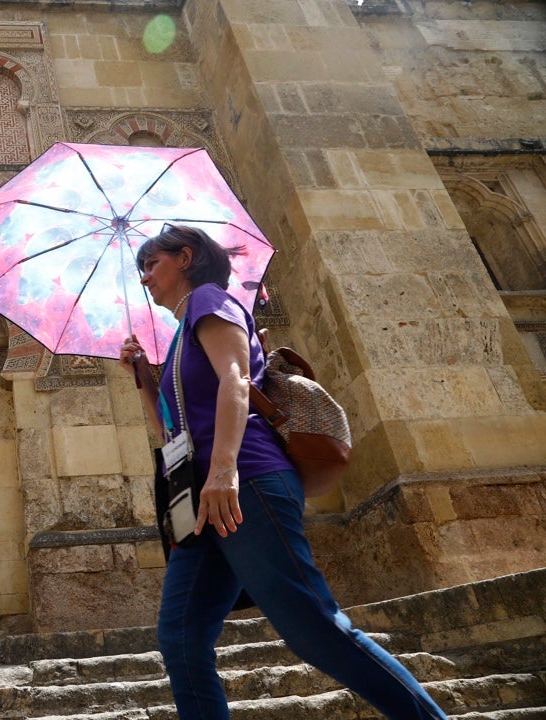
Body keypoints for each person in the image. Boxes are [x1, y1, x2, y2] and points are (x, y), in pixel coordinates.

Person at [118, 224, 447, 719]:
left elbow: (236, 379)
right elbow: (172, 431)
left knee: (313, 628)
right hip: (201, 501)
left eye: (151, 264)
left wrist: (224, 470)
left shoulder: (210, 300)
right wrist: (145, 379)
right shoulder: (181, 336)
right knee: (181, 637)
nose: (144, 277)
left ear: (185, 258)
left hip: (244, 483)